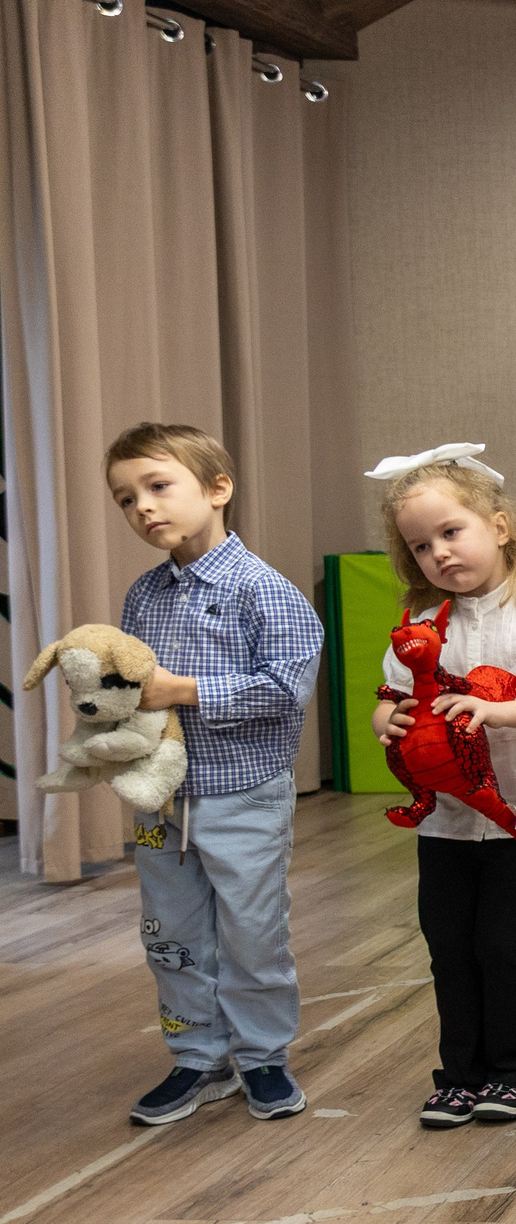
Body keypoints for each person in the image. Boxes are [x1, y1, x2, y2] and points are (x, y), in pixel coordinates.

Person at [369, 445, 516, 1127]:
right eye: (421, 545)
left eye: (451, 532)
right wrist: (390, 720)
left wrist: (498, 710)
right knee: (448, 943)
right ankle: (460, 1074)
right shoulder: (419, 627)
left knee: (501, 942)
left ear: (498, 527)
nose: (438, 552)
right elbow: (389, 699)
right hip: (444, 822)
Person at [106, 423, 324, 1126]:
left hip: (244, 797)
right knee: (170, 933)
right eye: (126, 498)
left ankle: (262, 1055)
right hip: (162, 799)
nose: (143, 506)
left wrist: (184, 690)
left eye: (158, 486)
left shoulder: (266, 591)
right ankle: (198, 1057)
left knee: (252, 932)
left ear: (218, 488)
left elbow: (284, 688)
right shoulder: (144, 595)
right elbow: (134, 688)